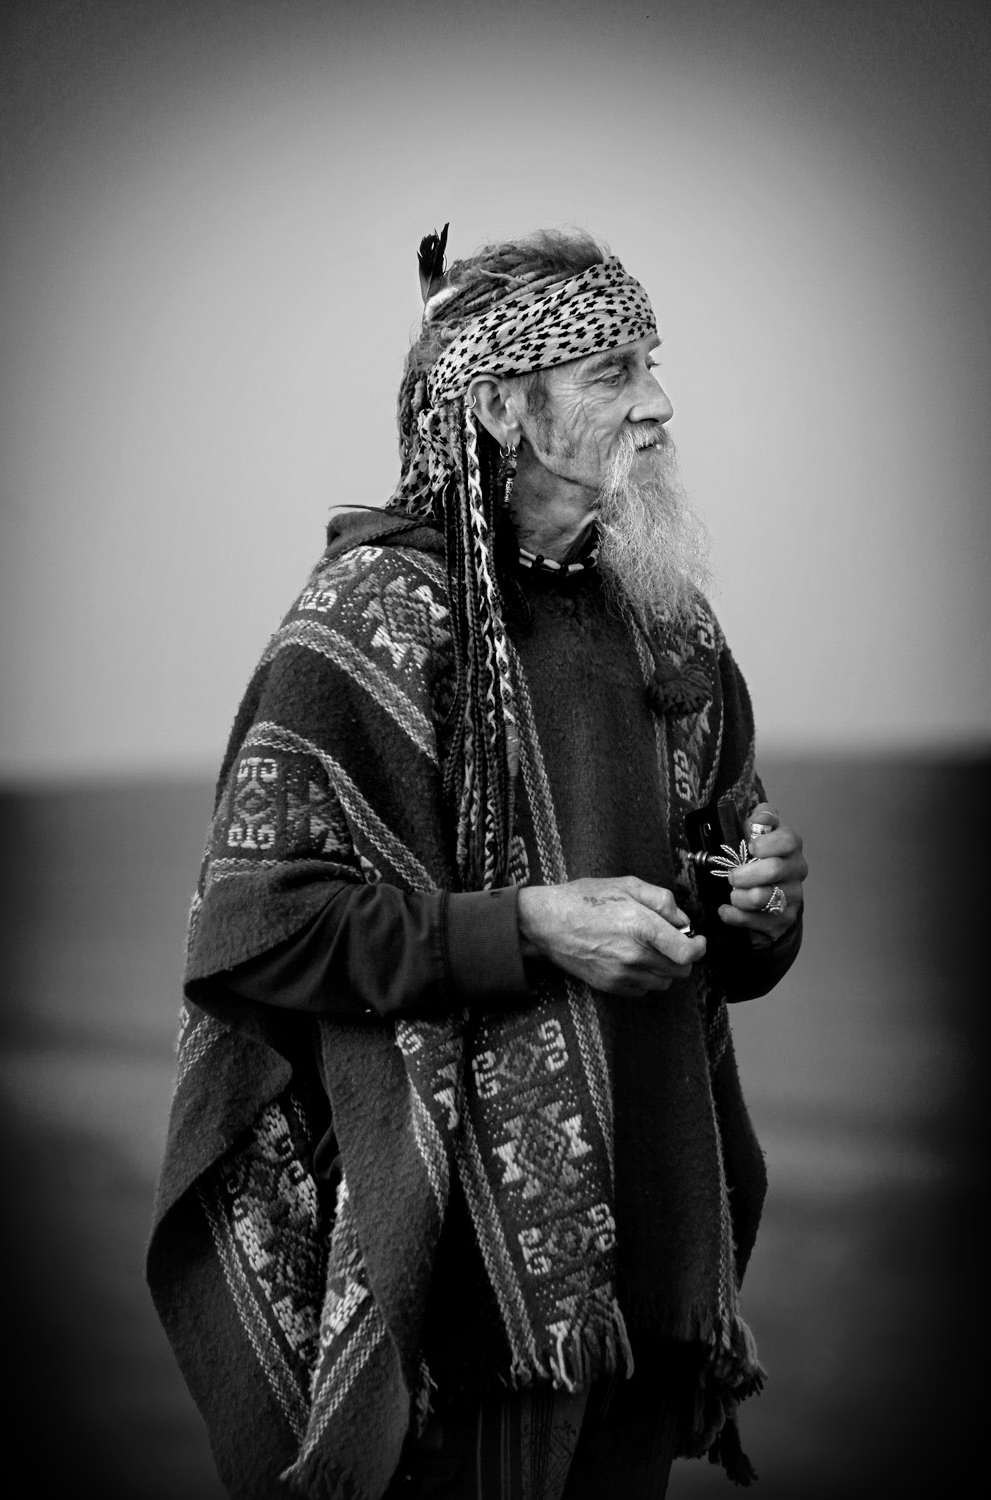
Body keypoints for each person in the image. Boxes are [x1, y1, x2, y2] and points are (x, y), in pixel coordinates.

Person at [146, 227, 808, 1500]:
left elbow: (724, 926)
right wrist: (531, 928)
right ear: (505, 405)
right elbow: (257, 926)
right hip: (459, 1286)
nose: (658, 402)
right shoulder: (370, 616)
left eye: (651, 361)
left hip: (654, 1254)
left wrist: (761, 910)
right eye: (612, 371)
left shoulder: (663, 610)